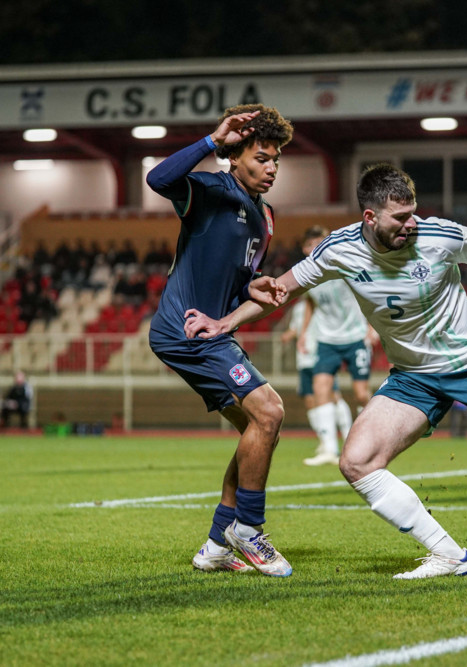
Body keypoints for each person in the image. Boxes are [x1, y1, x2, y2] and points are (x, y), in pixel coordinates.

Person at [185, 164, 467, 579]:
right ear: (370, 218)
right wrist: (224, 323)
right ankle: (447, 554)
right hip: (413, 376)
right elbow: (281, 290)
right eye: (399, 218)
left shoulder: (438, 234)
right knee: (357, 461)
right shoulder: (339, 250)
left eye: (413, 213)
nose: (411, 224)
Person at [146, 104, 295, 577]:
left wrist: (252, 287)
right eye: (262, 158)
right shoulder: (211, 188)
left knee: (258, 429)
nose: (272, 168)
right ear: (235, 157)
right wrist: (212, 140)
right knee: (269, 412)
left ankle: (216, 544)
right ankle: (249, 531)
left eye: (276, 160)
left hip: (212, 330)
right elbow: (158, 179)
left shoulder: (266, 217)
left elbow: (234, 279)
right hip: (185, 329)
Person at [296, 225, 377, 466]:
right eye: (313, 244)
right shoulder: (305, 273)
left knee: (362, 393)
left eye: (322, 242)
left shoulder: (345, 265)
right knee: (321, 388)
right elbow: (310, 303)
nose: (318, 248)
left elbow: (370, 292)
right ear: (305, 248)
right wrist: (303, 333)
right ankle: (330, 449)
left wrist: (372, 326)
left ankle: (372, 438)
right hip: (327, 340)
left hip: (355, 337)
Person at [279, 296, 355, 466]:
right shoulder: (299, 308)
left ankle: (349, 438)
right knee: (309, 400)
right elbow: (296, 328)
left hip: (321, 354)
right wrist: (289, 335)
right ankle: (324, 439)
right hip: (303, 359)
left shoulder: (324, 301)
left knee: (332, 395)